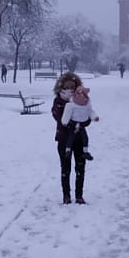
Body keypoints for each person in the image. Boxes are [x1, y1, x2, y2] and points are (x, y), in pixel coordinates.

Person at [51, 72, 88, 205]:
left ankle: (79, 195)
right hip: (63, 139)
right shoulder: (58, 101)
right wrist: (73, 123)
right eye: (67, 87)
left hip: (79, 140)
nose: (70, 90)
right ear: (61, 87)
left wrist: (82, 122)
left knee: (80, 167)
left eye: (73, 87)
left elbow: (87, 117)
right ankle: (66, 195)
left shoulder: (82, 100)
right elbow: (59, 118)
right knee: (65, 168)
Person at [61, 84, 99, 164]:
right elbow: (67, 113)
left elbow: (90, 112)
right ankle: (68, 151)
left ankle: (85, 152)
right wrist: (65, 122)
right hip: (73, 124)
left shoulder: (87, 104)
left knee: (85, 138)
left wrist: (94, 117)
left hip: (81, 125)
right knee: (71, 137)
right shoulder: (71, 105)